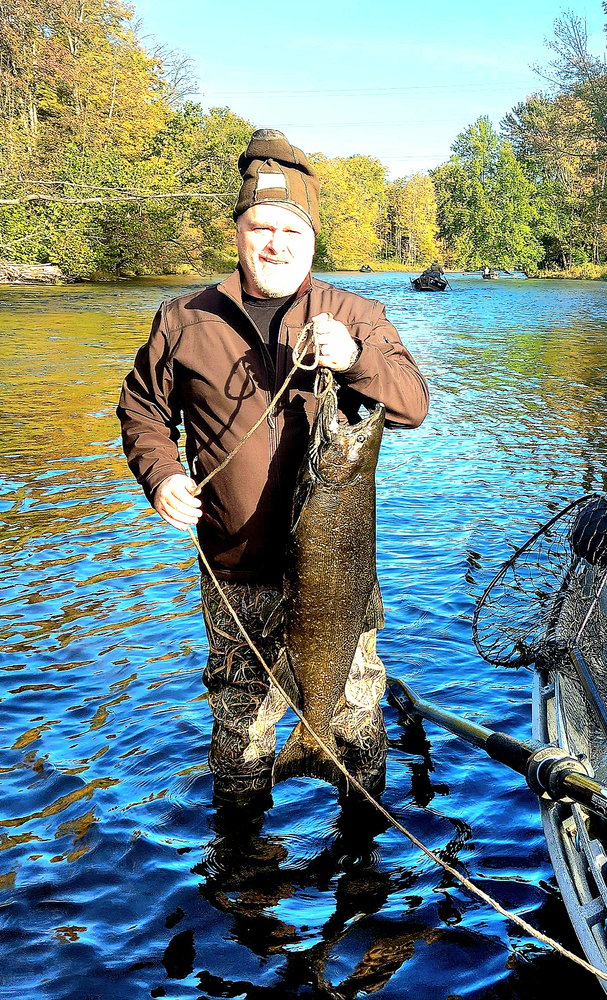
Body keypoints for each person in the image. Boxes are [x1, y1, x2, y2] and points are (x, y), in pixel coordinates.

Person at [117, 129, 429, 813]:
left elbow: (410, 407)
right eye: (261, 227)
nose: (276, 244)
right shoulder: (184, 318)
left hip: (339, 576)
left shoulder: (355, 313)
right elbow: (141, 413)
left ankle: (364, 836)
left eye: (292, 230)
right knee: (241, 723)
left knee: (353, 712)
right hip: (236, 567)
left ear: (312, 237)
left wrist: (354, 360)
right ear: (238, 232)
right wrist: (162, 475)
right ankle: (243, 862)